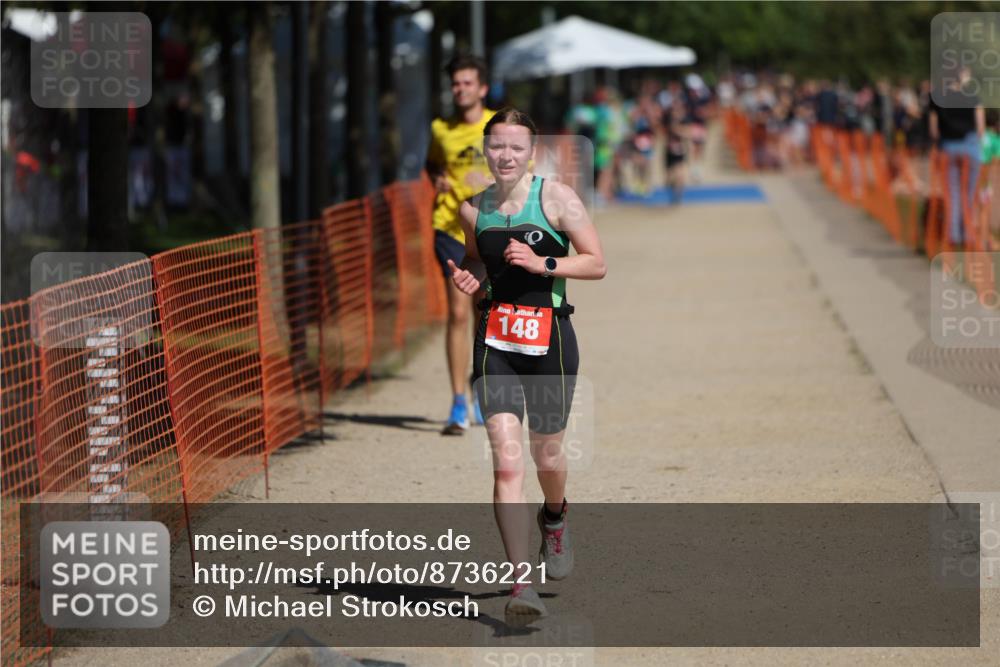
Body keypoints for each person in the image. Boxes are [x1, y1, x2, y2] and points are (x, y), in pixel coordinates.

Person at [447, 108, 607, 621]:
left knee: (548, 458)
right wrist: (471, 280)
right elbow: (476, 258)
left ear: (531, 152)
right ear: (485, 151)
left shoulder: (557, 198)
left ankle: (555, 517)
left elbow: (597, 262)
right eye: (497, 146)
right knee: (507, 461)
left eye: (516, 147)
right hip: (495, 340)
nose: (506, 156)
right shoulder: (473, 210)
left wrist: (545, 264)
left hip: (551, 340)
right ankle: (520, 585)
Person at [426, 55, 496, 435]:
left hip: (489, 228)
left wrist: (486, 179)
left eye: (468, 82)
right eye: (456, 83)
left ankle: (481, 386)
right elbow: (432, 164)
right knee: (456, 311)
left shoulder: (500, 125)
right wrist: (438, 178)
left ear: (482, 88)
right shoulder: (440, 129)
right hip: (450, 228)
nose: (460, 89)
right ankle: (457, 403)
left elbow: (525, 167)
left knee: (482, 310)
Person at [929, 66, 985, 248]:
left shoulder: (937, 96)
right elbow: (980, 128)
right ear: (961, 76)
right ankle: (967, 233)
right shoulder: (972, 96)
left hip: (948, 148)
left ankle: (953, 234)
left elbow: (934, 130)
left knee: (952, 193)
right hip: (970, 147)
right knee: (968, 194)